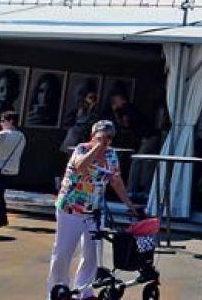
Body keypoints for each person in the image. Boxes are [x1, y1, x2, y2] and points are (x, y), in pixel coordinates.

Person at [49, 120, 139, 299]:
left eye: (110, 138)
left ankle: (84, 291)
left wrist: (129, 204)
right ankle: (57, 290)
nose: (106, 141)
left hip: (94, 211)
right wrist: (96, 149)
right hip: (70, 209)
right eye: (102, 137)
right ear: (93, 135)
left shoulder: (112, 155)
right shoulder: (81, 149)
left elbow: (116, 181)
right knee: (63, 253)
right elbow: (80, 167)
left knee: (91, 255)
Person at [60, 90, 99, 155]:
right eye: (90, 98)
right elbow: (83, 121)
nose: (92, 101)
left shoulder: (93, 111)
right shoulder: (80, 109)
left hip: (80, 140)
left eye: (94, 98)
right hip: (76, 138)